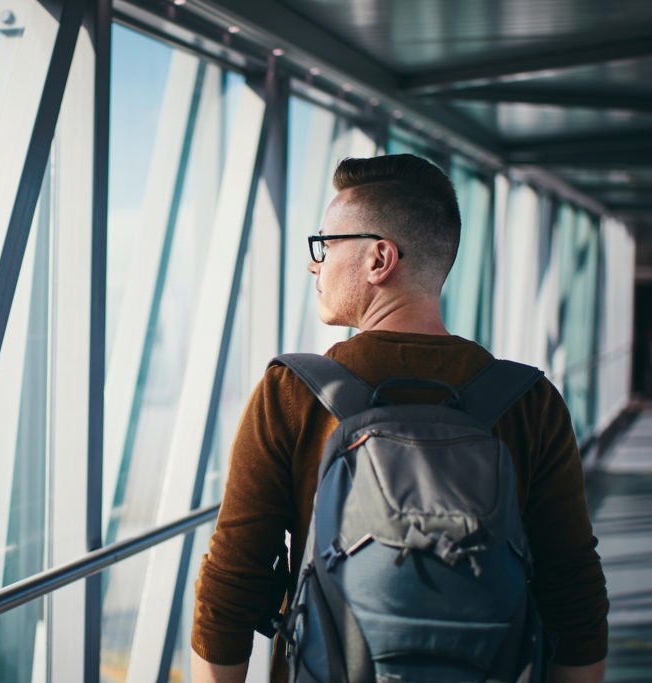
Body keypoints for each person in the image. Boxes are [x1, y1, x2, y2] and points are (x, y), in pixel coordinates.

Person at [190, 154, 608, 683]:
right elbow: (576, 596)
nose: (313, 264)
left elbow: (230, 587)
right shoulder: (530, 401)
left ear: (379, 258)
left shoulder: (292, 392)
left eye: (324, 245)